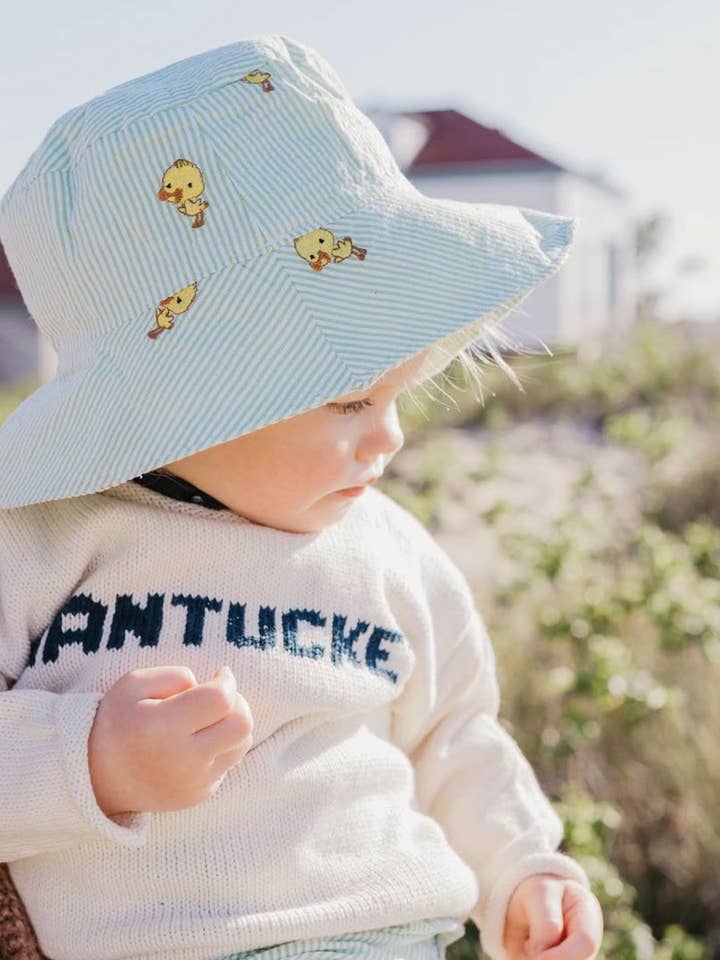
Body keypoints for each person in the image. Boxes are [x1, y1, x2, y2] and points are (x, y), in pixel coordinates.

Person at [0, 34, 603, 960]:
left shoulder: (389, 552)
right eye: (352, 398)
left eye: (399, 395)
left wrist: (525, 867)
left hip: (390, 932)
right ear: (186, 400)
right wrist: (89, 761)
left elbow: (453, 738)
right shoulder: (44, 539)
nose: (389, 436)